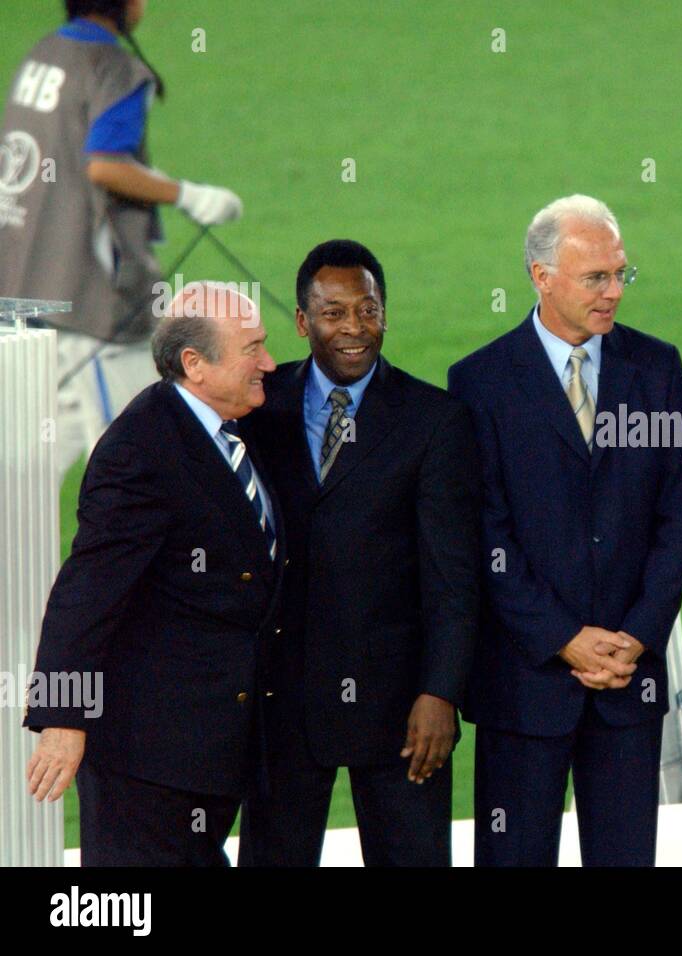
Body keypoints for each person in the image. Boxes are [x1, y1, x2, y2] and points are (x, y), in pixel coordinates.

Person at [448, 195, 682, 867]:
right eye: (596, 278)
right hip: (524, 685)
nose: (614, 291)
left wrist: (637, 636)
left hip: (627, 678)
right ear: (541, 275)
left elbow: (679, 518)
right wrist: (562, 638)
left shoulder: (659, 369)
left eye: (621, 274)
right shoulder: (479, 383)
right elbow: (486, 532)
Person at [237, 240, 481, 867]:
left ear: (384, 314)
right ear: (301, 321)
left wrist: (441, 694)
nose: (353, 329)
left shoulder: (435, 420)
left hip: (402, 712)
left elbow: (453, 578)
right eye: (333, 313)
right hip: (282, 705)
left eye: (367, 310)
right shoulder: (258, 408)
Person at [24, 282, 282, 866]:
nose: (268, 363)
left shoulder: (228, 428)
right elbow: (88, 591)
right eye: (252, 349)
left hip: (206, 750)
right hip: (145, 761)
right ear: (195, 363)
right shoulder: (141, 448)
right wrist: (63, 716)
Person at [0, 0, 243, 481]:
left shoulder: (43, 54)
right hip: (92, 305)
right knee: (142, 456)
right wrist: (189, 195)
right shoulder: (115, 69)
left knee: (29, 463)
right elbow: (105, 164)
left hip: (21, 287)